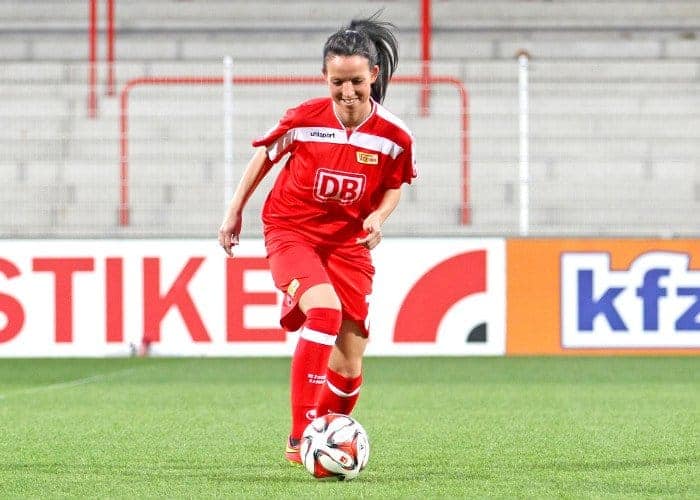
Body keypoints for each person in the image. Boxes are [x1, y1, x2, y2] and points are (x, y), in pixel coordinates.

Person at [218, 12, 416, 465]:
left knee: (348, 364)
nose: (347, 93)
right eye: (337, 82)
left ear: (374, 76)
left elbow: (394, 183)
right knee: (324, 312)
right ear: (325, 78)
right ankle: (301, 435)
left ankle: (321, 448)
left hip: (349, 243)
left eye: (356, 82)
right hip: (292, 231)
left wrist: (378, 218)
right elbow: (264, 160)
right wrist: (234, 211)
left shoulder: (395, 136)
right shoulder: (304, 118)